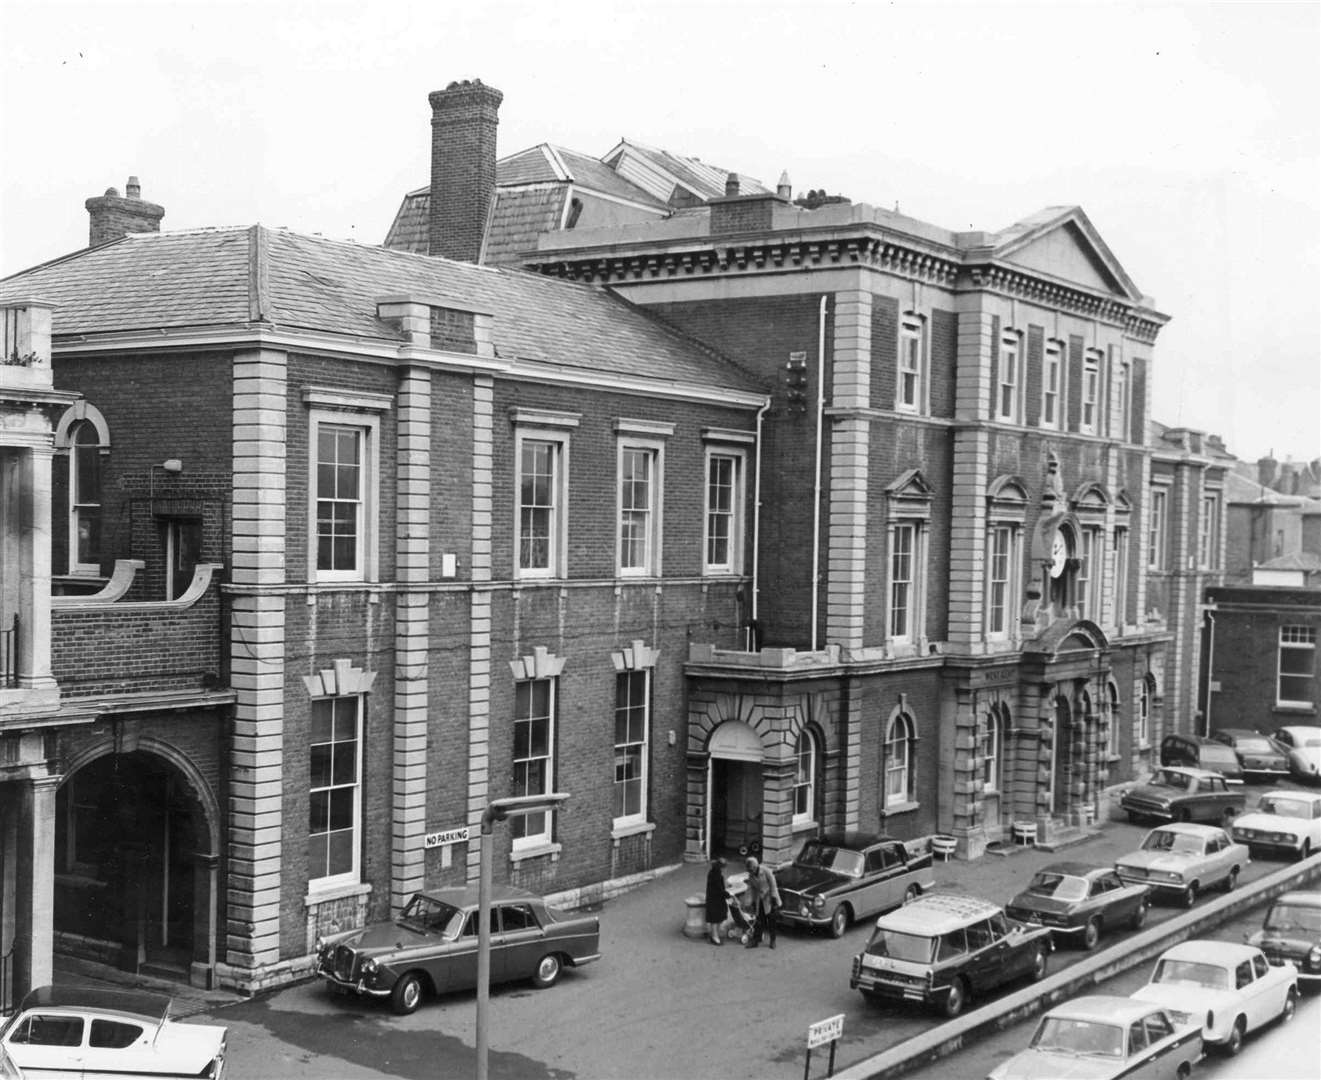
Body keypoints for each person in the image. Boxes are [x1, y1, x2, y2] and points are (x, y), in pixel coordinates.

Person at [743, 855, 781, 949]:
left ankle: (773, 941)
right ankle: (756, 940)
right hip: (760, 900)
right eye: (748, 870)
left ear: (755, 867)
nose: (750, 872)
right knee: (759, 921)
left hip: (770, 899)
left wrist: (773, 898)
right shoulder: (751, 875)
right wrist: (748, 901)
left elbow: (773, 885)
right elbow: (751, 889)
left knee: (772, 921)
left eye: (750, 870)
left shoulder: (766, 871)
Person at [704, 857, 730, 945]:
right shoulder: (717, 875)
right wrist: (728, 894)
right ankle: (714, 936)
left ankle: (715, 935)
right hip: (716, 899)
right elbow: (719, 889)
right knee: (716, 918)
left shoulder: (713, 873)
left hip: (714, 898)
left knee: (716, 918)